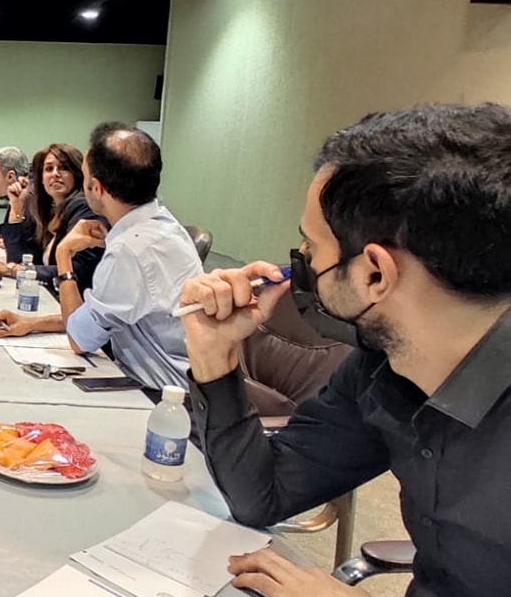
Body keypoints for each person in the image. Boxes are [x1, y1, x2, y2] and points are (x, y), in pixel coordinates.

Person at [177, 104, 511, 597]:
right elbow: (263, 495)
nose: (302, 264)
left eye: (311, 249)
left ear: (375, 273)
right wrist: (213, 354)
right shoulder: (382, 368)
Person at [0, 122, 202, 391]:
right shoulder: (163, 225)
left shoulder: (128, 251)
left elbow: (80, 339)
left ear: (96, 188)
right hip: (176, 382)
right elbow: (98, 316)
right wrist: (32, 324)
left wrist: (64, 254)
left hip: (154, 393)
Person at [0, 144, 104, 292]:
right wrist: (16, 208)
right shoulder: (49, 208)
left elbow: (79, 270)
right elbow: (18, 259)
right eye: (49, 169)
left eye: (64, 168)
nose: (55, 174)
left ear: (77, 174)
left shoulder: (83, 208)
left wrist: (13, 270)